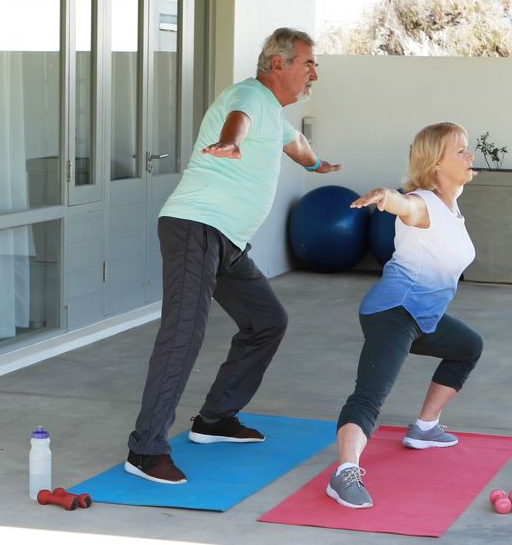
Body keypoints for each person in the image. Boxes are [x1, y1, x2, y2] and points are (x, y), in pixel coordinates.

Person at [125, 28, 342, 484]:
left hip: (225, 242)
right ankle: (145, 450)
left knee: (267, 320)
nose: (314, 74)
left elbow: (294, 145)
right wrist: (230, 141)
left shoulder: (275, 114)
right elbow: (237, 120)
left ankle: (215, 419)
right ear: (277, 64)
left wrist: (318, 164)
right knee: (183, 332)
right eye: (308, 63)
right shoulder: (248, 96)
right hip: (195, 228)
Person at [326, 122, 484, 508]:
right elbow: (405, 206)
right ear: (435, 165)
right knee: (370, 396)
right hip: (392, 313)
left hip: (423, 318)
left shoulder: (452, 209)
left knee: (467, 346)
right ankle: (344, 474)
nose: (470, 156)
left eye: (468, 149)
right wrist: (387, 197)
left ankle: (425, 428)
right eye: (460, 151)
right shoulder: (424, 202)